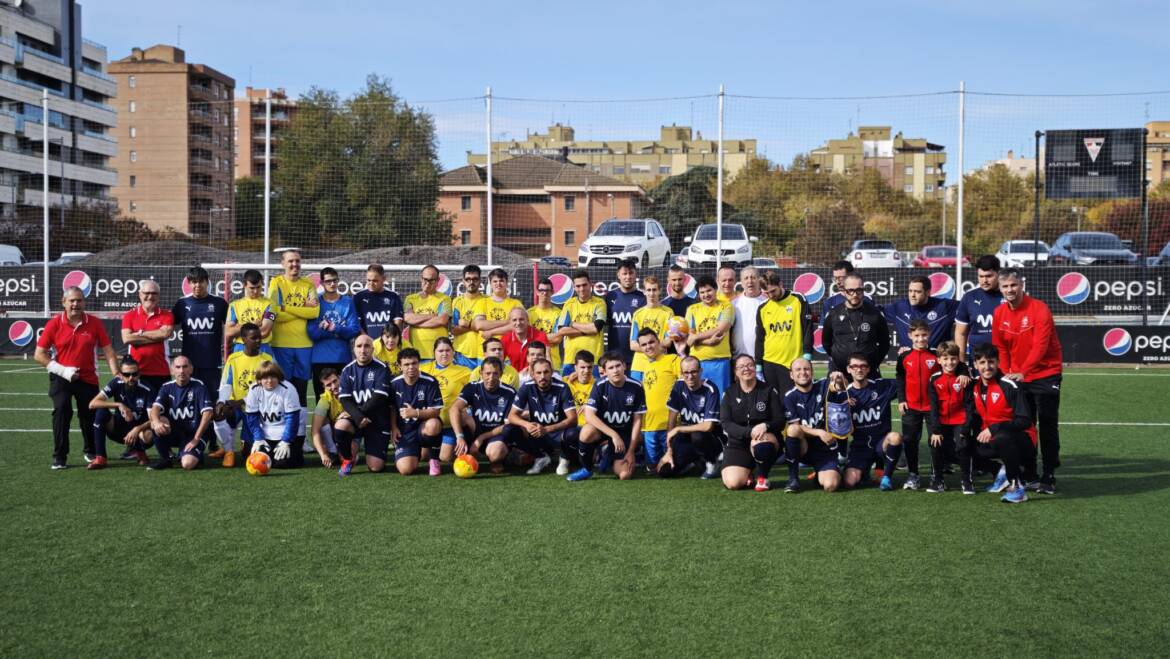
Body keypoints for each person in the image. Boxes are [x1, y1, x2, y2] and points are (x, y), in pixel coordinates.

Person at [992, 267, 1062, 494]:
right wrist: (1005, 372)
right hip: (1018, 376)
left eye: (1013, 285)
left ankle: (1049, 474)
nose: (1010, 290)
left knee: (1048, 423)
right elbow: (1000, 347)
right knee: (1024, 424)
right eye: (1005, 286)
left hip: (1045, 374)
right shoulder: (1000, 313)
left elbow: (1041, 346)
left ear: (1021, 284)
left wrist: (1023, 370)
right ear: (1000, 289)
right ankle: (1029, 472)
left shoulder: (1039, 309)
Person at [35, 286, 119, 469]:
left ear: (84, 303)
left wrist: (116, 374)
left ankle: (90, 451)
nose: (75, 304)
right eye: (72, 300)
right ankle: (60, 456)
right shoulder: (54, 324)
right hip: (61, 377)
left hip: (88, 377)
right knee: (62, 411)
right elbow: (39, 354)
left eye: (79, 300)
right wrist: (64, 371)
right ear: (64, 303)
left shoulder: (95, 323)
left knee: (89, 414)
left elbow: (109, 352)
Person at [267, 249, 319, 465]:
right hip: (281, 345)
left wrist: (286, 307)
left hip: (304, 345)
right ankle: (281, 435)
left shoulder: (309, 285)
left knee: (299, 391)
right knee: (283, 392)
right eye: (290, 261)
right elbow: (274, 311)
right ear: (282, 264)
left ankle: (301, 438)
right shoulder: (276, 283)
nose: (294, 265)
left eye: (297, 261)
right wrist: (298, 308)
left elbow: (314, 312)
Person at [969, 343, 1038, 503]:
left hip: (1022, 440)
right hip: (994, 437)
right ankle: (1000, 473)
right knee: (962, 447)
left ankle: (1017, 486)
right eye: (983, 363)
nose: (987, 367)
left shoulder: (1010, 386)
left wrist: (994, 429)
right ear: (975, 364)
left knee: (1002, 438)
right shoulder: (975, 387)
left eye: (991, 362)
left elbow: (1024, 421)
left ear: (998, 362)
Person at [568, 351, 646, 482]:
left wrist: (631, 450)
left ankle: (609, 454)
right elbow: (589, 415)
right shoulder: (599, 385)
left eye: (618, 366)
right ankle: (587, 469)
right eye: (610, 368)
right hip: (604, 430)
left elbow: (637, 420)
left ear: (624, 367)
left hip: (624, 433)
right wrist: (613, 435)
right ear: (604, 371)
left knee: (624, 475)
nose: (615, 370)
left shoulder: (636, 387)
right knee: (586, 432)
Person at [895, 319, 954, 491]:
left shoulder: (936, 355)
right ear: (910, 336)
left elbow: (956, 365)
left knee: (935, 441)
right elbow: (900, 378)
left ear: (929, 334)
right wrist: (901, 399)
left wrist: (964, 372)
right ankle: (913, 475)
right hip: (911, 406)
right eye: (917, 335)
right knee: (910, 440)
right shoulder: (904, 357)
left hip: (933, 408)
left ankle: (938, 477)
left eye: (924, 335)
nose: (921, 339)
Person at [170, 267, 228, 434]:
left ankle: (213, 443)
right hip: (189, 367)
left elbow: (231, 327)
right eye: (194, 282)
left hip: (212, 364)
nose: (197, 285)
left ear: (207, 282)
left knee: (213, 404)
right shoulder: (182, 303)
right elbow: (168, 326)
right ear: (189, 284)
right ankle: (190, 438)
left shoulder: (219, 303)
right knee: (191, 404)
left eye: (201, 282)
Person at [719, 354, 784, 492]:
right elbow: (726, 423)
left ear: (755, 368)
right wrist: (749, 432)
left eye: (750, 365)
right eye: (741, 366)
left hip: (764, 438)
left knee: (761, 446)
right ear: (736, 372)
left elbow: (780, 421)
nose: (746, 369)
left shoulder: (769, 390)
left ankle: (762, 477)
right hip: (738, 442)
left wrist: (766, 425)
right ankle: (750, 473)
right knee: (733, 483)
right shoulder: (729, 393)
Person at [503, 357, 578, 475]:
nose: (542, 376)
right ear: (533, 374)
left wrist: (547, 429)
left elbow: (573, 419)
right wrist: (527, 425)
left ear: (552, 372)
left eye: (546, 372)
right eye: (539, 372)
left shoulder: (562, 387)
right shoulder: (527, 387)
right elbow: (512, 416)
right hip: (537, 434)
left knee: (574, 432)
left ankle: (564, 459)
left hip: (558, 434)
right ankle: (541, 457)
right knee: (508, 430)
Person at [782, 358, 847, 493]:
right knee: (793, 430)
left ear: (812, 372)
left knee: (831, 485)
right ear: (791, 375)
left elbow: (840, 387)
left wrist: (839, 379)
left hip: (825, 449)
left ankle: (820, 474)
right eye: (798, 370)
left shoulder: (823, 385)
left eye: (806, 369)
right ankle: (793, 478)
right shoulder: (789, 396)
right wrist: (819, 432)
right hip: (804, 446)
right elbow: (796, 425)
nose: (803, 372)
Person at [335, 335, 397, 476]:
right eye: (359, 346)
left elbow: (379, 397)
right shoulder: (347, 370)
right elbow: (344, 399)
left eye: (367, 346)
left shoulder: (382, 368)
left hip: (377, 420)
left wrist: (359, 414)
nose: (363, 350)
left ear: (373, 349)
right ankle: (348, 459)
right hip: (357, 418)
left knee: (375, 467)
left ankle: (362, 445)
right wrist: (358, 417)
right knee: (340, 426)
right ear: (354, 349)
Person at [842, 353, 904, 491]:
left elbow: (904, 382)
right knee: (849, 482)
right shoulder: (844, 395)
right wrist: (843, 408)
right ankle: (864, 472)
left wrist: (903, 359)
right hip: (860, 446)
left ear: (869, 369)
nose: (859, 370)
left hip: (881, 442)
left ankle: (887, 476)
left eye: (863, 366)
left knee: (895, 437)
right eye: (855, 366)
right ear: (848, 369)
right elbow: (836, 427)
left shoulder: (881, 386)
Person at [214, 323, 269, 468]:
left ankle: (245, 444)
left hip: (257, 408)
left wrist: (243, 401)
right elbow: (226, 383)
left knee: (247, 454)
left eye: (260, 338)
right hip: (236, 405)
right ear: (244, 339)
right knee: (219, 413)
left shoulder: (267, 359)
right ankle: (228, 451)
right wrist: (221, 402)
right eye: (254, 338)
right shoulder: (234, 359)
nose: (258, 341)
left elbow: (270, 387)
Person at [450, 357, 517, 474]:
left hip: (496, 434)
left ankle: (499, 459)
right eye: (487, 373)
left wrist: (481, 438)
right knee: (447, 455)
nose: (491, 378)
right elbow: (454, 409)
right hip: (475, 430)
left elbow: (509, 423)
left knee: (495, 454)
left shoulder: (509, 392)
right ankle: (469, 452)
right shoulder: (472, 387)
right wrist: (459, 437)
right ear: (481, 373)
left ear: (501, 374)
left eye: (495, 373)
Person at [147, 356, 214, 471]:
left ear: (191, 369)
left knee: (187, 464)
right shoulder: (166, 387)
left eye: (185, 367)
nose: (181, 371)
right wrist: (156, 422)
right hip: (175, 432)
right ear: (172, 370)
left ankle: (194, 454)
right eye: (178, 367)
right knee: (157, 421)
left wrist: (196, 438)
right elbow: (155, 408)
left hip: (194, 434)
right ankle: (165, 459)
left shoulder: (199, 386)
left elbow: (208, 413)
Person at [660, 356, 722, 479]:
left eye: (694, 371)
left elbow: (708, 426)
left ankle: (713, 462)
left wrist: (679, 429)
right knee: (664, 471)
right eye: (686, 373)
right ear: (681, 373)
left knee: (697, 435)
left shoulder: (710, 389)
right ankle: (694, 461)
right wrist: (669, 451)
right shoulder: (678, 386)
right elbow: (671, 420)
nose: (690, 376)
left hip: (710, 439)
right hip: (686, 437)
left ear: (701, 371)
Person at [927, 341, 976, 494]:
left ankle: (967, 481)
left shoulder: (964, 379)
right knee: (935, 443)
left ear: (958, 359)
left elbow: (969, 405)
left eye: (953, 358)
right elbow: (934, 407)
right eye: (946, 359)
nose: (950, 362)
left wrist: (967, 426)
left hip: (960, 420)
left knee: (963, 445)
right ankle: (938, 480)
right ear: (939, 360)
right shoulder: (934, 379)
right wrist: (935, 430)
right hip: (941, 421)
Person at [88, 356, 154, 468]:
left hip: (139, 433)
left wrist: (137, 429)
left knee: (150, 434)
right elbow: (92, 404)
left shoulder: (147, 389)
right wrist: (119, 405)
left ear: (139, 374)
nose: (131, 378)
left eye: (134, 374)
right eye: (127, 375)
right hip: (118, 430)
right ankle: (101, 458)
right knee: (101, 411)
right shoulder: (116, 383)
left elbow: (153, 419)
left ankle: (141, 452)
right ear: (121, 375)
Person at [755, 270, 814, 396]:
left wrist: (807, 356)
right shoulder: (762, 308)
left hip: (792, 364)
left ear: (781, 284)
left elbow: (808, 329)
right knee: (773, 404)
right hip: (769, 363)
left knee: (789, 402)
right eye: (766, 293)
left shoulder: (798, 299)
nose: (770, 296)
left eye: (773, 291)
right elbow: (760, 338)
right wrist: (758, 366)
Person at [387, 347, 444, 476]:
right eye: (406, 364)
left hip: (424, 427)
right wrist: (394, 428)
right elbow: (392, 408)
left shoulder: (430, 382)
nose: (411, 367)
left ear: (419, 363)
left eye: (414, 363)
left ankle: (434, 459)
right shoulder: (394, 384)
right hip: (405, 431)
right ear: (400, 366)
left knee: (434, 424)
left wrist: (415, 413)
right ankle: (419, 452)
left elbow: (435, 412)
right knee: (405, 470)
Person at [822, 272, 889, 377]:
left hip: (869, 374)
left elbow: (885, 344)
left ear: (863, 291)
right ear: (844, 291)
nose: (855, 294)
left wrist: (872, 363)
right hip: (840, 373)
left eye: (859, 290)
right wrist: (839, 357)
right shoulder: (833, 314)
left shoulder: (875, 314)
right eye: (850, 291)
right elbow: (826, 343)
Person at [423, 337, 473, 475]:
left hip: (451, 425)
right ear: (434, 353)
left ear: (453, 352)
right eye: (440, 351)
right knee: (423, 456)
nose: (444, 354)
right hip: (430, 423)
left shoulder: (465, 372)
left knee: (444, 457)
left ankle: (466, 443)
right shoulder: (424, 369)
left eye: (447, 350)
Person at [307, 266, 360, 398]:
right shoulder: (315, 302)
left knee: (343, 399)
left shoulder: (348, 302)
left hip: (342, 358)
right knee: (322, 400)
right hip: (320, 359)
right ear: (322, 283)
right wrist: (338, 332)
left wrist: (333, 327)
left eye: (335, 280)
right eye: (328, 281)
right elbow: (313, 333)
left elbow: (354, 330)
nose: (332, 284)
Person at [631, 329, 679, 472]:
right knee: (652, 467)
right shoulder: (645, 366)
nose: (648, 347)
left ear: (659, 342)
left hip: (669, 425)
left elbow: (687, 378)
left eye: (651, 342)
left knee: (669, 467)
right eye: (644, 344)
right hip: (649, 426)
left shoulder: (673, 359)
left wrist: (682, 352)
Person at [243, 360, 303, 469]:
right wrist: (258, 438)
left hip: (286, 433)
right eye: (265, 378)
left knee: (282, 463)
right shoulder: (253, 389)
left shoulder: (288, 389)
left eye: (273, 377)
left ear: (279, 377)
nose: (269, 381)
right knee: (251, 457)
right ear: (259, 380)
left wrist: (286, 441)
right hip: (265, 433)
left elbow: (292, 418)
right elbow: (252, 418)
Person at [121, 279, 174, 394]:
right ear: (140, 295)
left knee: (160, 410)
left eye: (154, 293)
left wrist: (138, 334)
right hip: (135, 373)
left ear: (159, 296)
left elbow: (165, 334)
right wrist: (156, 335)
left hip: (161, 373)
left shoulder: (167, 315)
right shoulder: (130, 315)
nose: (150, 297)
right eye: (147, 293)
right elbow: (127, 338)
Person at [685, 275, 734, 396]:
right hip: (697, 363)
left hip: (720, 361)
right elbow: (689, 339)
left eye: (709, 290)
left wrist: (697, 336)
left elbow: (721, 328)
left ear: (715, 289)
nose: (706, 295)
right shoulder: (692, 309)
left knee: (721, 397)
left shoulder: (727, 306)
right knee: (699, 398)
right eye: (702, 292)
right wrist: (708, 342)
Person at [552, 270, 606, 377]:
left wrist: (572, 324)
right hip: (571, 359)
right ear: (574, 288)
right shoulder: (569, 304)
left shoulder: (599, 303)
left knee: (592, 392)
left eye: (584, 285)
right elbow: (562, 330)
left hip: (593, 360)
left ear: (590, 284)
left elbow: (596, 328)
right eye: (578, 286)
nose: (582, 289)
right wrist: (587, 330)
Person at [885, 275, 957, 351]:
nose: (912, 295)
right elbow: (875, 314)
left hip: (937, 360)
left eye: (917, 292)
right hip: (908, 360)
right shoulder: (899, 307)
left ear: (928, 292)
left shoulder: (944, 307)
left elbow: (968, 309)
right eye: (910, 291)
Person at [954, 255, 1004, 364]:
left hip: (1004, 361)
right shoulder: (969, 297)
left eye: (989, 276)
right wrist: (962, 364)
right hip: (978, 362)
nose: (984, 280)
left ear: (998, 273)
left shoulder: (1008, 296)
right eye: (980, 276)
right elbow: (960, 333)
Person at [629, 276, 674, 381]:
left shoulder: (668, 313)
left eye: (654, 290)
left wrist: (647, 348)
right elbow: (632, 344)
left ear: (660, 291)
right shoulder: (638, 314)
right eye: (648, 290)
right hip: (639, 365)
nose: (651, 293)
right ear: (644, 292)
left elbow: (668, 342)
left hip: (659, 363)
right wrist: (655, 348)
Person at [403, 264, 451, 362]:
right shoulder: (410, 299)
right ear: (421, 279)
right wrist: (432, 316)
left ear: (437, 281)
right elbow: (408, 319)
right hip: (417, 354)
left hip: (439, 354)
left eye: (431, 280)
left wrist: (417, 322)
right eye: (425, 279)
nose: (427, 283)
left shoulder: (445, 299)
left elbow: (442, 320)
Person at [560, 350, 596, 474]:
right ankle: (564, 459)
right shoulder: (565, 381)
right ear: (575, 367)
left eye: (589, 367)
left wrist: (590, 404)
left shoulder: (598, 385)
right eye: (582, 367)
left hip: (589, 427)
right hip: (570, 426)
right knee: (570, 434)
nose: (586, 371)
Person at [605, 259, 646, 366]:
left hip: (637, 357)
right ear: (618, 275)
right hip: (614, 358)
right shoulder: (610, 296)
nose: (628, 277)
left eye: (631, 273)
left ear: (635, 274)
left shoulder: (643, 298)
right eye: (624, 273)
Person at [225, 269, 275, 354]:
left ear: (262, 283)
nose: (255, 291)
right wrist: (253, 324)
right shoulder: (234, 305)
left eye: (258, 287)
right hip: (241, 348)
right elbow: (229, 332)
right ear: (244, 285)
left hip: (262, 348)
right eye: (252, 288)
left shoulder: (269, 304)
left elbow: (264, 332)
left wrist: (238, 328)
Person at [353, 263, 403, 338]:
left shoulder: (393, 296)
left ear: (383, 279)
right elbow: (356, 322)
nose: (371, 283)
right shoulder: (358, 297)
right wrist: (366, 339)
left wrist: (390, 339)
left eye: (375, 281)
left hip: (387, 344)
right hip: (366, 345)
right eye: (368, 280)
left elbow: (398, 321)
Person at [473, 268, 523, 343]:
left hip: (509, 349)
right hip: (486, 351)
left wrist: (491, 332)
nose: (498, 284)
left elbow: (518, 326)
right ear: (490, 284)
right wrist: (506, 322)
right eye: (495, 281)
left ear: (507, 283)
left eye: (501, 281)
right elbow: (479, 325)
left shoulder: (516, 303)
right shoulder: (482, 302)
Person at [309, 367, 344, 468]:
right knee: (322, 420)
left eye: (335, 381)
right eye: (328, 385)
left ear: (340, 378)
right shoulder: (325, 399)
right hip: (337, 430)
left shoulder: (350, 390)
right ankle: (333, 451)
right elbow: (314, 430)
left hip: (353, 430)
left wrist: (348, 414)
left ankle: (346, 450)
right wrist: (322, 455)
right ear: (324, 386)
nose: (333, 386)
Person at [730, 266, 768, 360]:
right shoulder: (734, 304)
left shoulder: (768, 303)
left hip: (764, 358)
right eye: (746, 278)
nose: (750, 281)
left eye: (753, 277)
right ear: (741, 283)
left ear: (759, 281)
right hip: (738, 359)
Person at [451, 265, 484, 368]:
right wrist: (476, 326)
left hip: (483, 353)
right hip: (462, 354)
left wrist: (466, 324)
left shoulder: (488, 301)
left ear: (480, 280)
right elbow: (454, 330)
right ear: (463, 281)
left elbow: (487, 327)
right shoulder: (457, 302)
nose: (471, 282)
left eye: (475, 279)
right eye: (468, 279)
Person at [820, 260, 874, 324]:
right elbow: (822, 329)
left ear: (851, 275)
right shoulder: (829, 302)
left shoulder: (867, 299)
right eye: (835, 278)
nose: (837, 282)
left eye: (841, 278)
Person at [528, 277, 564, 371]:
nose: (544, 293)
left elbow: (557, 338)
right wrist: (548, 338)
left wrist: (534, 337)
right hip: (532, 363)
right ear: (537, 292)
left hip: (553, 364)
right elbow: (526, 338)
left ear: (552, 292)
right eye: (541, 290)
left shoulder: (559, 314)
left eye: (548, 290)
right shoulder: (529, 313)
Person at [500, 306, 548, 372]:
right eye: (514, 320)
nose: (518, 323)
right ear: (510, 322)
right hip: (515, 378)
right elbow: (499, 361)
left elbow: (547, 359)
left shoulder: (540, 336)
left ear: (528, 320)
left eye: (521, 319)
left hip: (536, 376)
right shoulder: (505, 338)